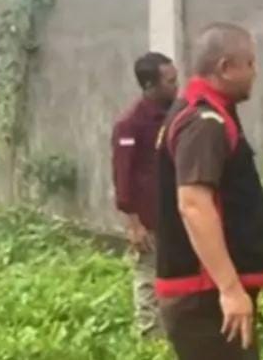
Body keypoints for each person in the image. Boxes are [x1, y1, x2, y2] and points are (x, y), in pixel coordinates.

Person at [154, 23, 263, 360]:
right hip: (204, 294)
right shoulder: (204, 122)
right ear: (225, 67)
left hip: (209, 292)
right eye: (249, 63)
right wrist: (230, 288)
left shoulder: (205, 114)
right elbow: (193, 204)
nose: (255, 72)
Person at [111, 51, 178, 338]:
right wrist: (134, 223)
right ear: (150, 85)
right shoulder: (131, 124)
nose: (177, 86)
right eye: (170, 81)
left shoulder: (174, 115)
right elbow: (122, 175)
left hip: (174, 213)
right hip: (148, 218)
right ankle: (150, 338)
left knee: (172, 276)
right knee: (147, 277)